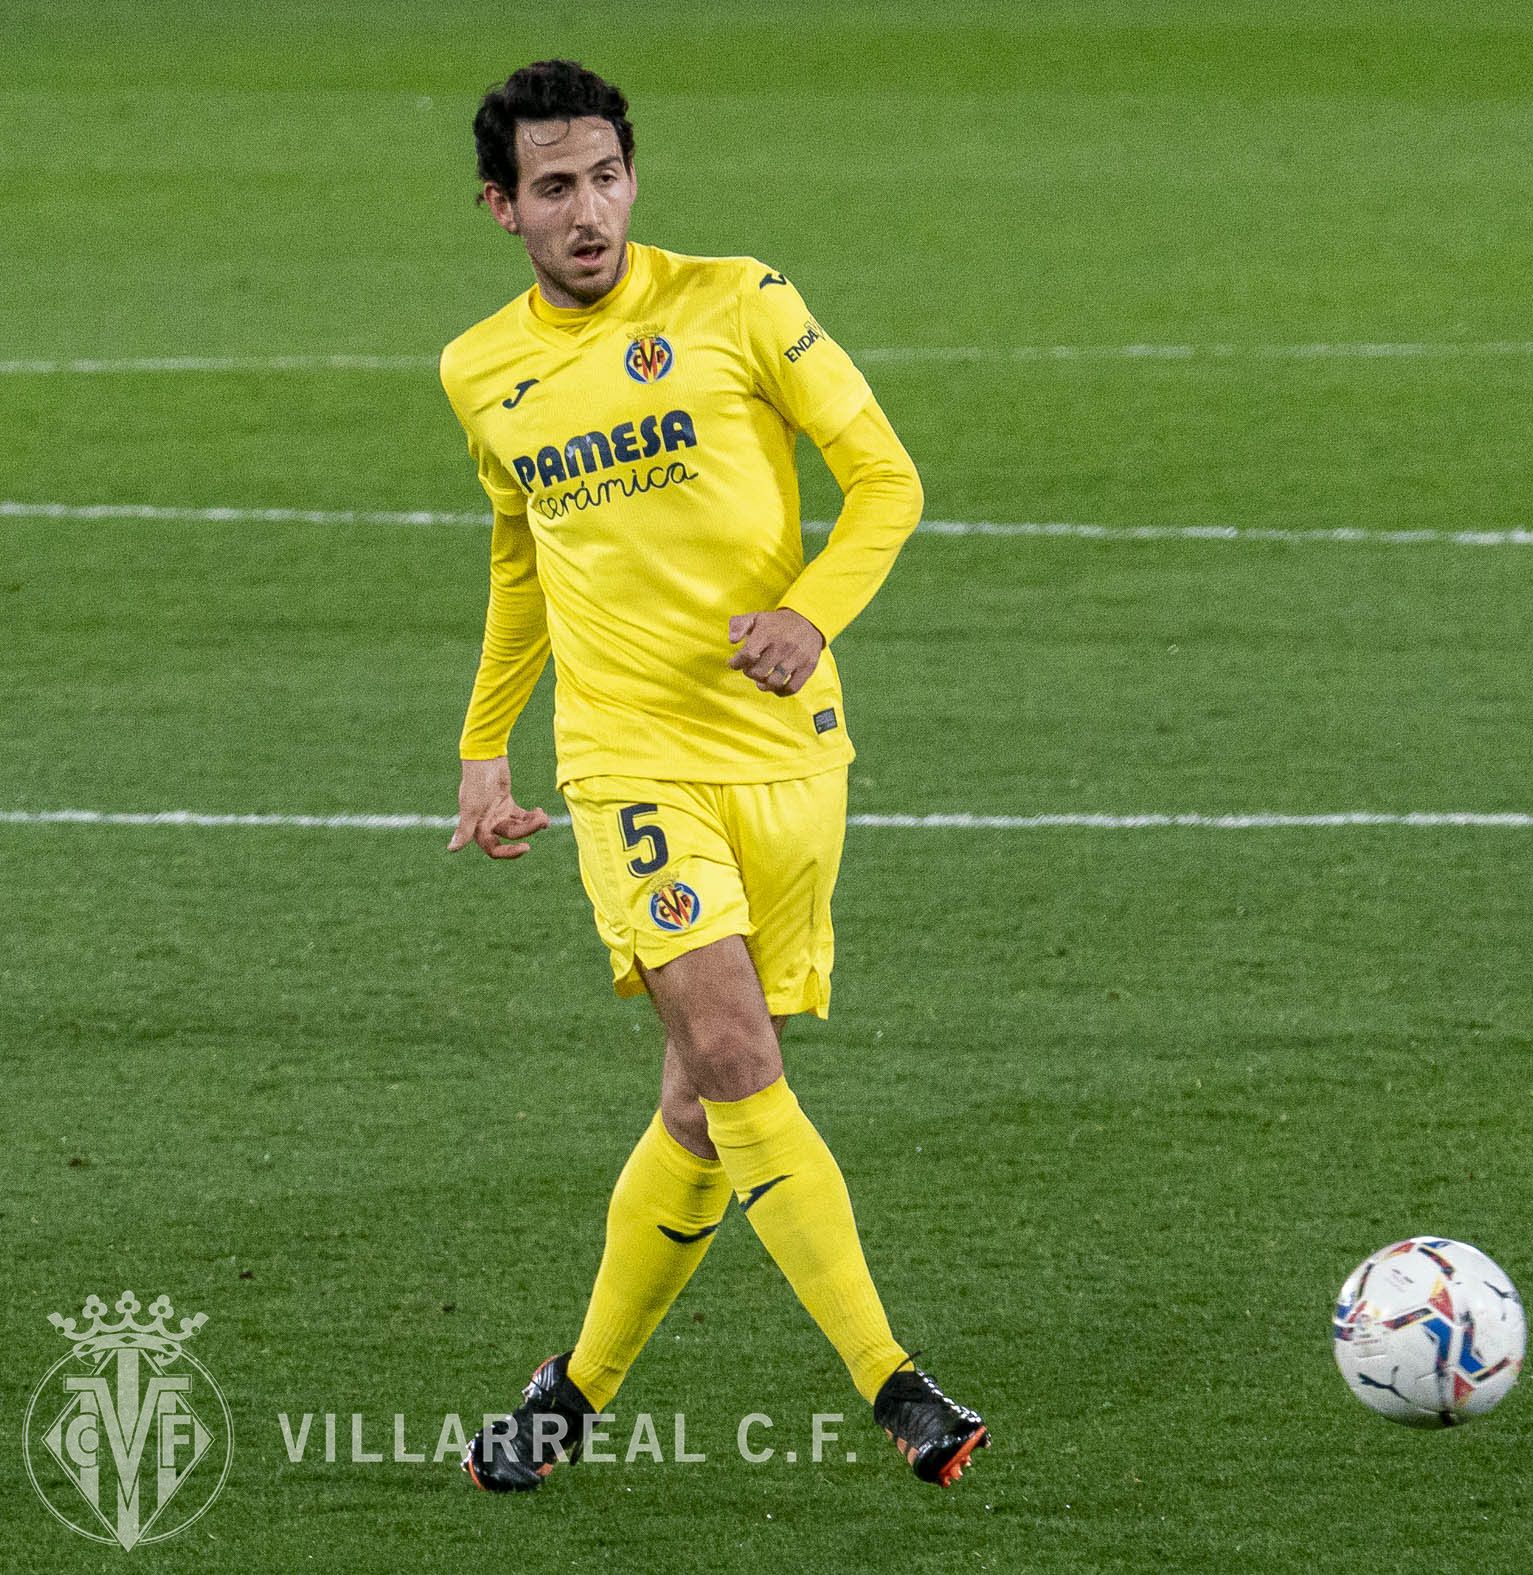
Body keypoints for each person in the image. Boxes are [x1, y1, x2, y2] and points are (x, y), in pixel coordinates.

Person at [438, 59, 988, 1491]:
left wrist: (810, 611)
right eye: (552, 187)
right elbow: (521, 562)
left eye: (605, 176)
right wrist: (484, 745)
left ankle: (570, 1391)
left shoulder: (738, 300)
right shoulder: (480, 372)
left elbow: (888, 480)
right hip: (628, 763)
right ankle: (896, 1381)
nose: (588, 210)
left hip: (789, 757)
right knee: (741, 1053)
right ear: (501, 208)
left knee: (700, 1102)